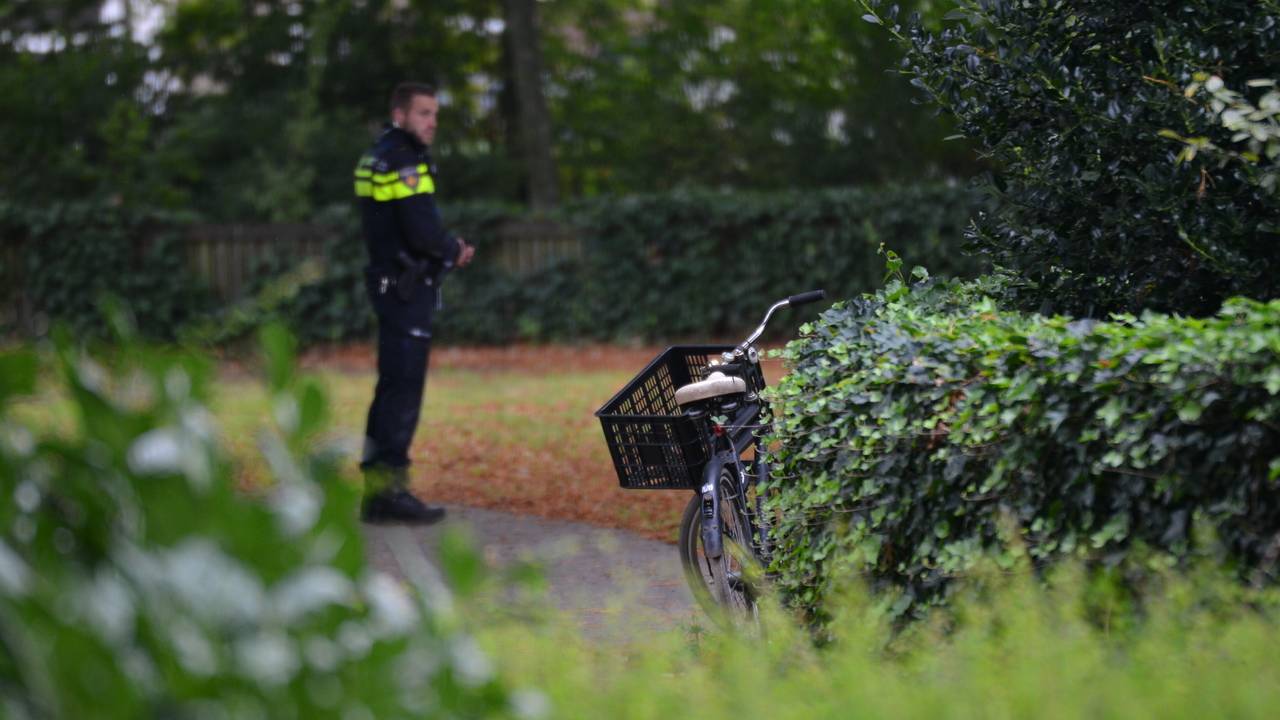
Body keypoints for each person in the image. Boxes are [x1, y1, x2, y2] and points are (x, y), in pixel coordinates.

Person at [354, 82, 476, 524]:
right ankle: (390, 493)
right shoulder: (402, 160)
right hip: (405, 289)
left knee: (389, 388)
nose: (431, 123)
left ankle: (376, 488)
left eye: (435, 115)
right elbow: (421, 228)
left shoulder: (378, 154)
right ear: (399, 113)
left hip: (388, 284)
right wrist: (452, 250)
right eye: (424, 113)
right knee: (403, 390)